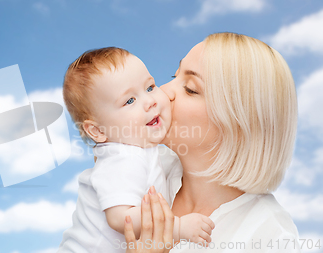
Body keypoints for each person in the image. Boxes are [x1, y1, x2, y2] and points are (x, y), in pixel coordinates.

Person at [125, 32, 300, 252]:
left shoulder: (270, 237)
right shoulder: (141, 171)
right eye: (174, 76)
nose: (163, 92)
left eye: (190, 88)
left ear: (240, 126)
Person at [58, 47, 214, 253]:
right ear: (96, 130)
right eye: (129, 101)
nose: (150, 102)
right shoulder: (123, 158)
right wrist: (178, 228)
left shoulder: (142, 150)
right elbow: (120, 218)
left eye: (150, 87)